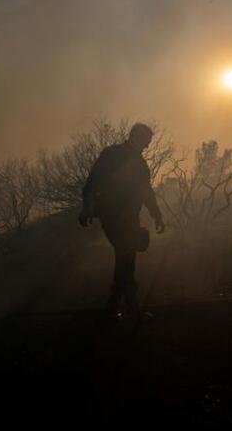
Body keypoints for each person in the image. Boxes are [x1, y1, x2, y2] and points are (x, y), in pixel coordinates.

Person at [79, 123, 166, 319]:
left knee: (126, 258)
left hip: (129, 218)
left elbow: (146, 193)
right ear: (136, 137)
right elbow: (93, 181)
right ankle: (128, 307)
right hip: (112, 215)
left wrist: (157, 215)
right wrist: (87, 207)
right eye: (146, 142)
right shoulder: (111, 155)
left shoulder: (140, 164)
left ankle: (115, 306)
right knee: (126, 255)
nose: (147, 146)